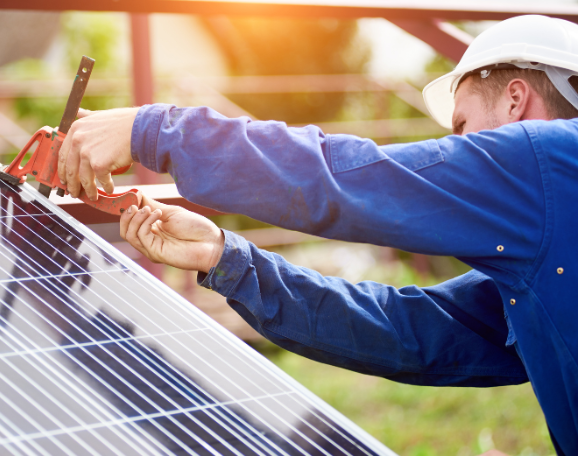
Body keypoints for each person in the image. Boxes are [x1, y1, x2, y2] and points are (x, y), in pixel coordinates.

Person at [56, 15, 578, 454]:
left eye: (462, 128)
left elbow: (342, 177)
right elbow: (406, 332)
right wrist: (225, 258)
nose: (455, 146)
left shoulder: (545, 161)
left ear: (515, 101)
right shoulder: (547, 243)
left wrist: (153, 130)